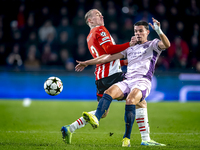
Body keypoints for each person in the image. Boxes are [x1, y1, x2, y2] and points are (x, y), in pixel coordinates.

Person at [75, 18, 170, 147]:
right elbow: (108, 57)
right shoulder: (130, 48)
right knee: (109, 92)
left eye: (141, 31)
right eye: (136, 31)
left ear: (147, 32)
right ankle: (97, 117)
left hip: (143, 81)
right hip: (128, 80)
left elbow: (167, 45)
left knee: (131, 99)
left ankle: (126, 138)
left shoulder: (152, 44)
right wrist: (87, 62)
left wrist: (159, 30)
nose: (138, 33)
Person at [60, 8, 135, 144]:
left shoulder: (89, 36)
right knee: (137, 99)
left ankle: (70, 128)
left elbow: (105, 56)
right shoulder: (100, 29)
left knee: (103, 112)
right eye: (97, 14)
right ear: (90, 20)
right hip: (112, 75)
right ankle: (132, 139)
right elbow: (109, 50)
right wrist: (130, 45)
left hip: (101, 77)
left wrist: (124, 61)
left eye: (101, 14)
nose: (101, 16)